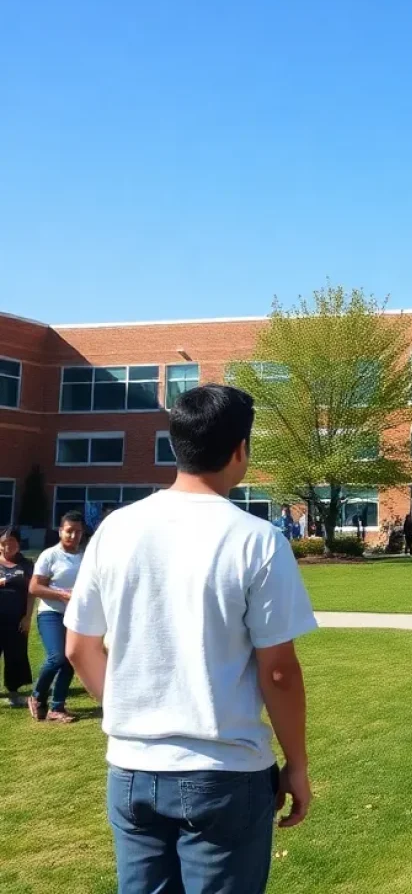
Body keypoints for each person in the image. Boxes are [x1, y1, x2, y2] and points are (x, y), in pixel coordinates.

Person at [65, 383, 318, 894]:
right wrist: (298, 764)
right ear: (240, 450)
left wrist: (131, 716)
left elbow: (79, 646)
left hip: (132, 767)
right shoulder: (256, 539)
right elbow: (277, 670)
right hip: (223, 772)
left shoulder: (116, 528)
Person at [27, 510, 85, 723]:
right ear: (61, 531)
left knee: (71, 658)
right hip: (50, 613)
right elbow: (34, 587)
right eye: (69, 531)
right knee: (57, 656)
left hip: (76, 615)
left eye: (78, 532)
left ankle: (57, 707)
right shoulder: (50, 555)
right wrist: (61, 594)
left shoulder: (85, 557)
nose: (73, 536)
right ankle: (36, 696)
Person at [0, 527, 35, 708]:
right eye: (4, 542)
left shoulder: (26, 564)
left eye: (12, 541)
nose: (8, 546)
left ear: (18, 544)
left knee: (15, 655)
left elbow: (31, 593)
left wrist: (28, 617)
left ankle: (13, 693)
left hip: (17, 619)